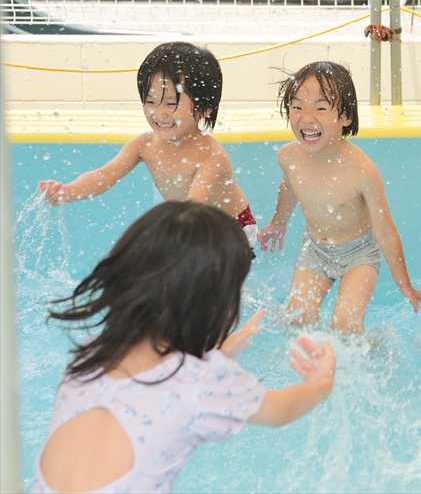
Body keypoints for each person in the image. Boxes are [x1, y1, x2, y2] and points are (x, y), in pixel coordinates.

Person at [34, 200, 335, 494]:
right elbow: (280, 410)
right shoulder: (204, 381)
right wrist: (321, 382)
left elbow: (159, 389)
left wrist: (218, 354)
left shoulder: (90, 354)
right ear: (213, 301)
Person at [257, 61, 421, 333]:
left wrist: (404, 285)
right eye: (297, 107)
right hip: (315, 250)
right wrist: (279, 223)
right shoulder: (289, 157)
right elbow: (289, 187)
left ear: (346, 117)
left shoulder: (362, 170)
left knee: (345, 325)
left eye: (321, 108)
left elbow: (385, 232)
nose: (306, 118)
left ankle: (373, 347)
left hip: (359, 254)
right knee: (298, 318)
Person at [38, 42, 258, 246]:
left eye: (170, 103)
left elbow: (192, 209)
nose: (158, 113)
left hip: (231, 228)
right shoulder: (144, 145)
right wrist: (68, 191)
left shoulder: (211, 155)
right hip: (191, 221)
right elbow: (104, 175)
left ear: (204, 108)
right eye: (150, 101)